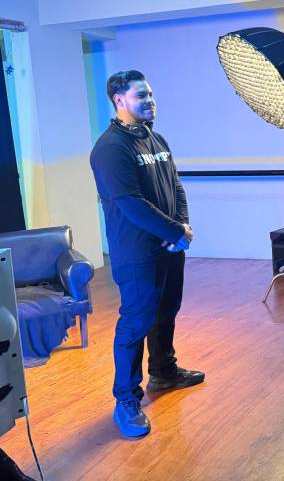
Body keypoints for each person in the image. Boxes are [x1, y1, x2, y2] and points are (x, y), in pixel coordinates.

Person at [90, 70, 204, 438]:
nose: (150, 100)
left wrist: (180, 228)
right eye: (141, 95)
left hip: (169, 246)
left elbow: (176, 186)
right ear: (119, 99)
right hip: (137, 252)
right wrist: (174, 232)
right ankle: (125, 398)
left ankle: (164, 372)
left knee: (166, 310)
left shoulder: (156, 138)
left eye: (151, 94)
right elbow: (131, 204)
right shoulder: (110, 149)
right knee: (136, 322)